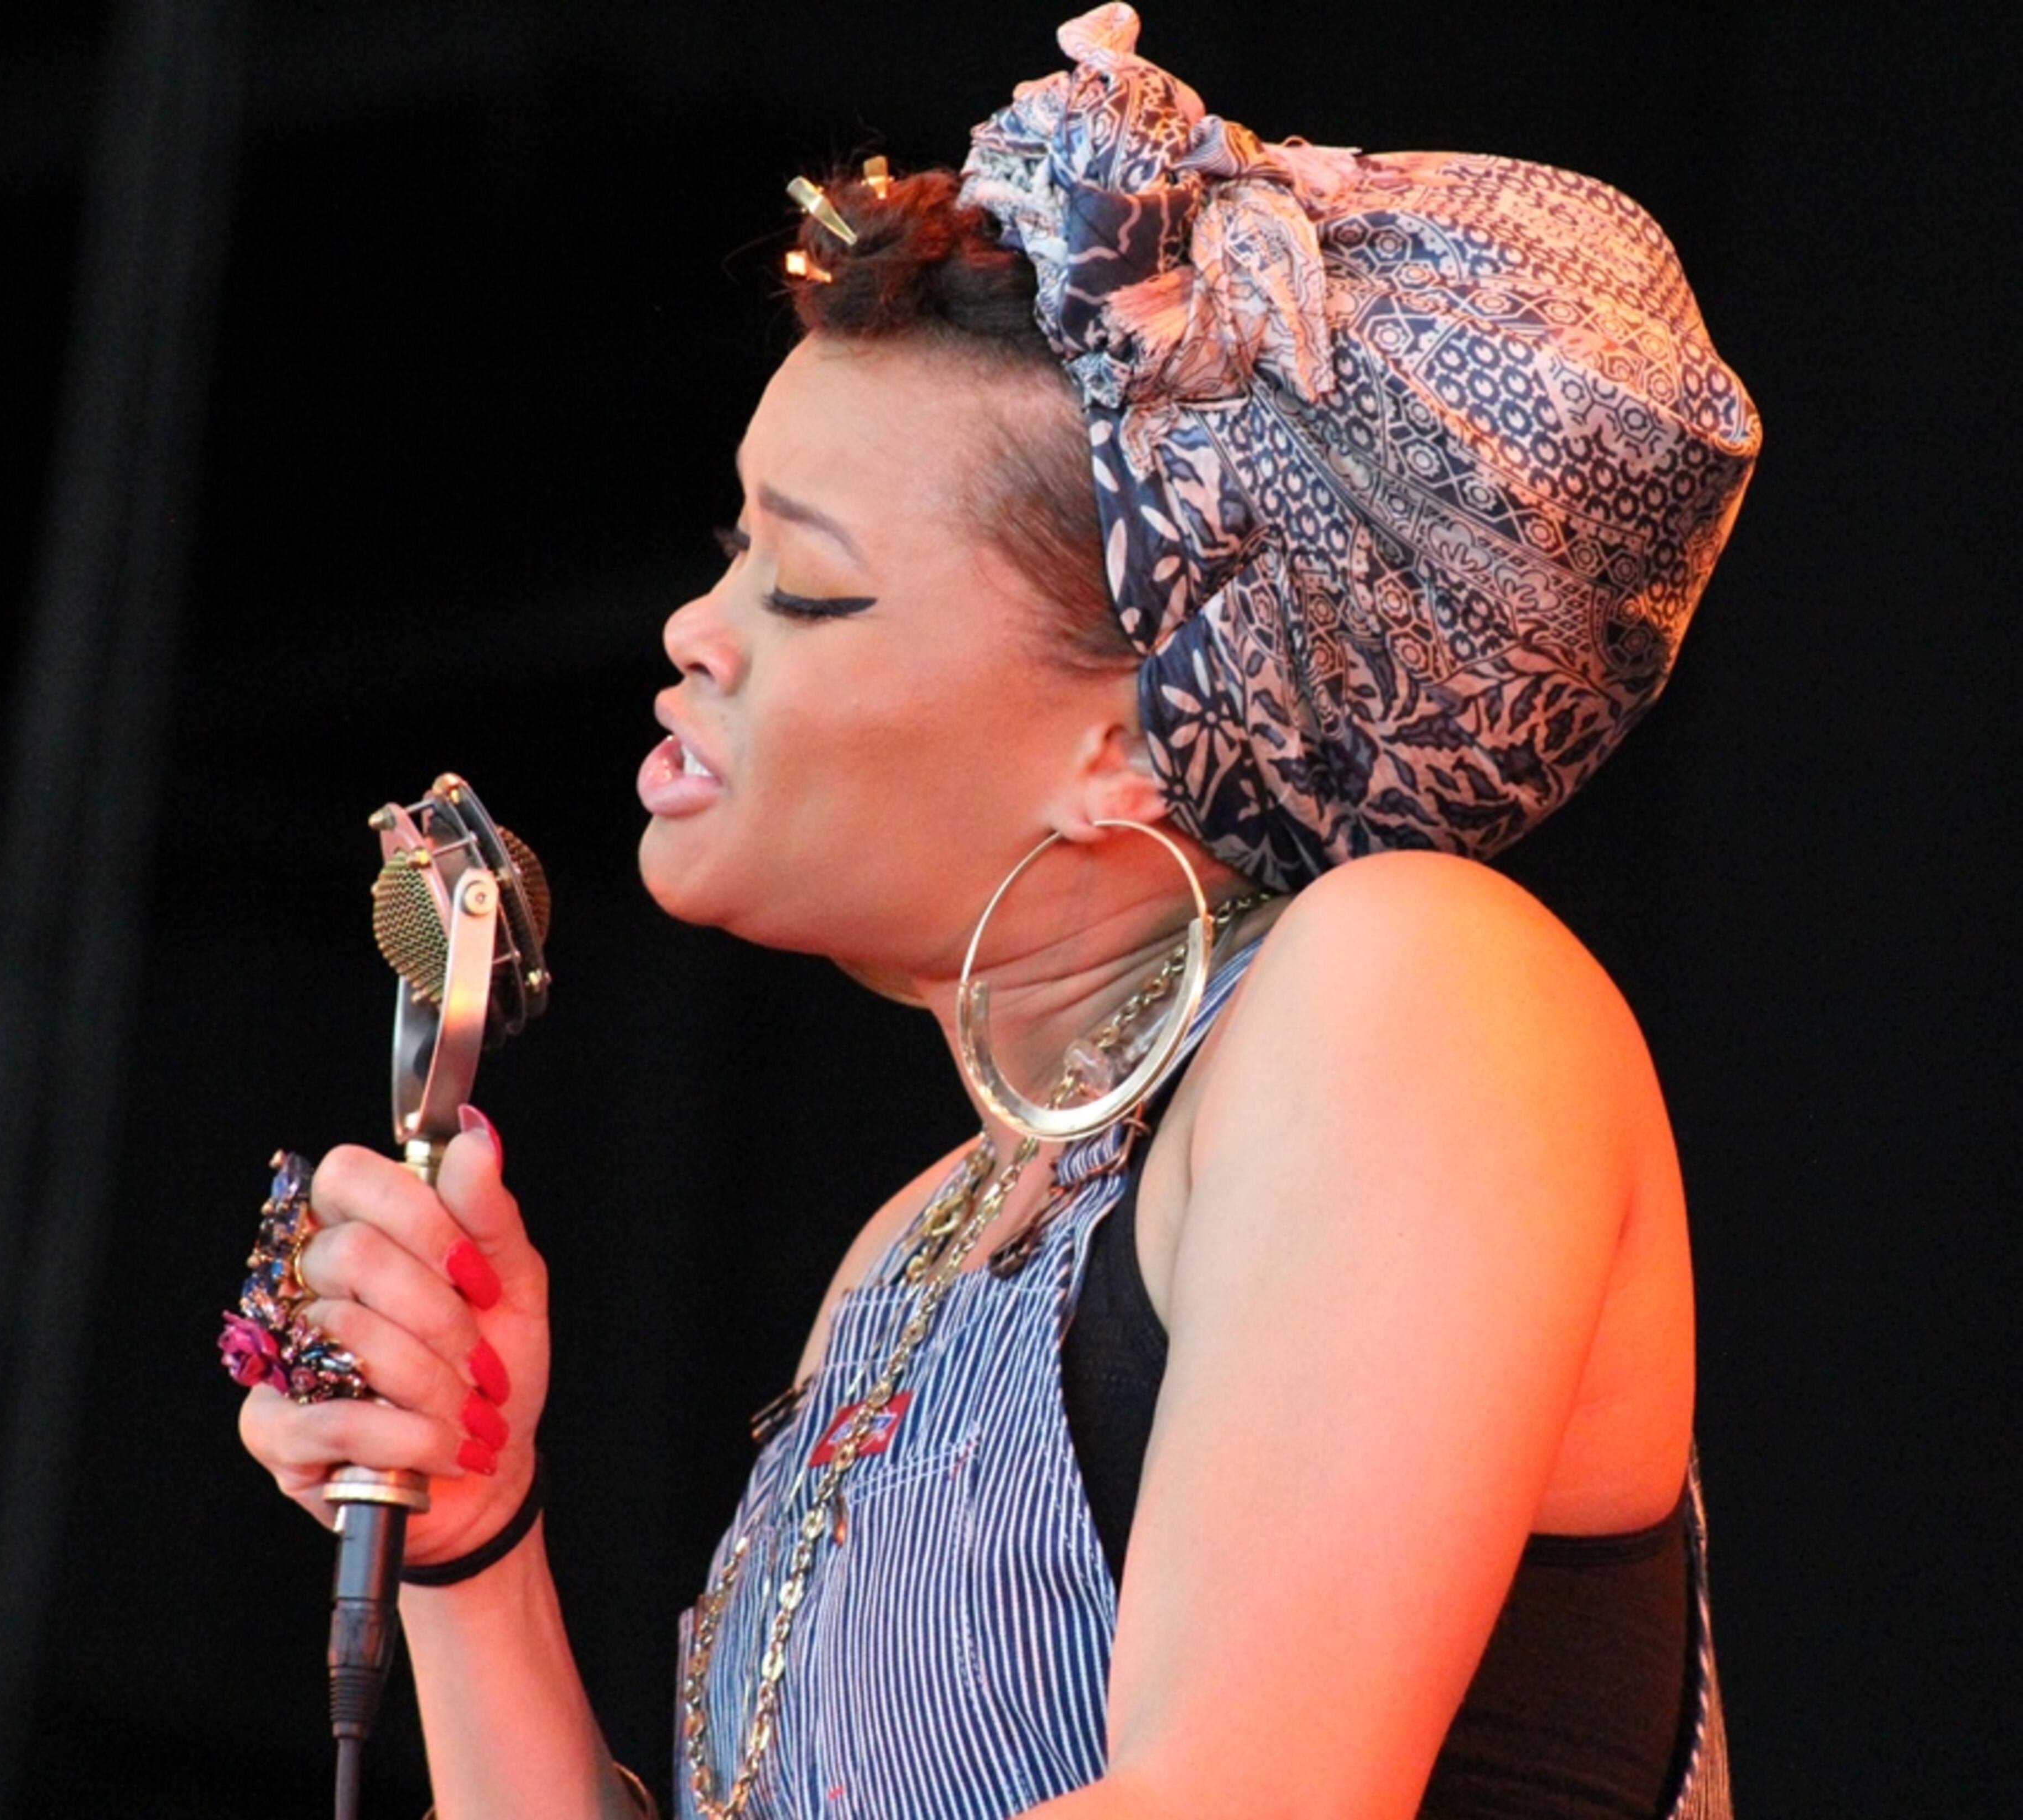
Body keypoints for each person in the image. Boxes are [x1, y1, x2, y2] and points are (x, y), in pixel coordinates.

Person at [231, 8, 1758, 1816]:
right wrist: (475, 1545)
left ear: (1125, 746)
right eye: (735, 549)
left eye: (804, 586)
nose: (693, 633)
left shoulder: (1418, 994)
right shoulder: (917, 1250)